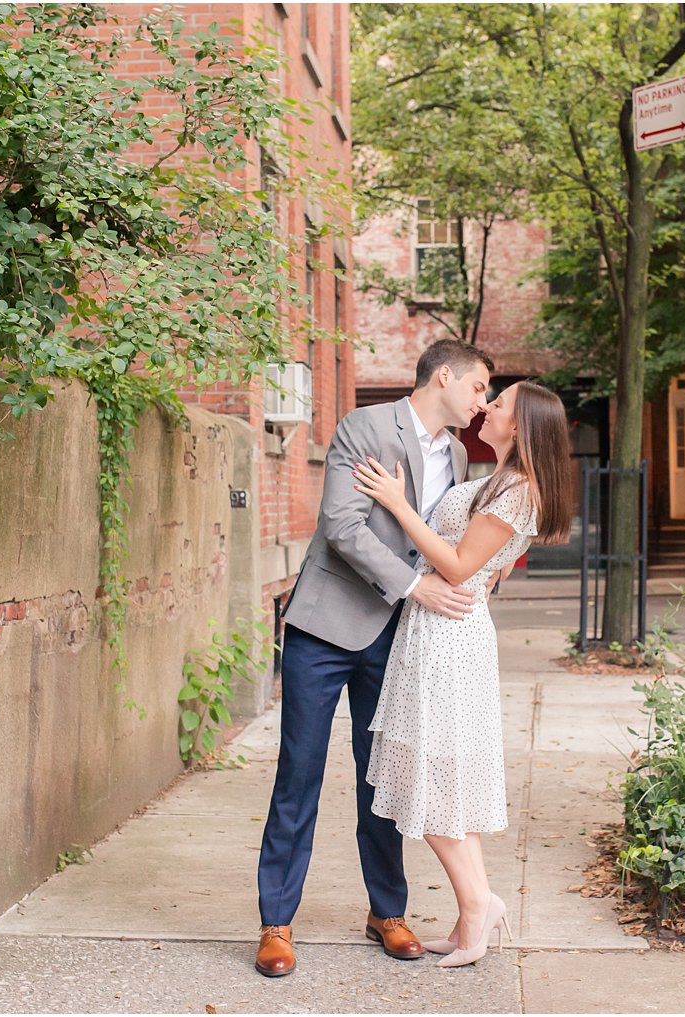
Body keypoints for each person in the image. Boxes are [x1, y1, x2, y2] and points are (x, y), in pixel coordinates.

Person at [255, 339, 495, 978]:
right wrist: (417, 585)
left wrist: (479, 573)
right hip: (326, 627)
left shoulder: (463, 455)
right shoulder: (366, 426)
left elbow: (452, 539)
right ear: (444, 376)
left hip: (402, 640)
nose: (482, 403)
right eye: (477, 388)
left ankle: (387, 910)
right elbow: (342, 523)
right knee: (299, 772)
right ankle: (275, 922)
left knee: (382, 779)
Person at [351, 380, 574, 968]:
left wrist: (397, 503)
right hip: (436, 631)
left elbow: (455, 565)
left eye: (498, 403)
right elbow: (479, 560)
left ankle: (477, 905)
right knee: (438, 774)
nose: (487, 406)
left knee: (432, 776)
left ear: (521, 426)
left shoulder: (520, 491)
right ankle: (475, 908)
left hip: (448, 636)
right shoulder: (496, 481)